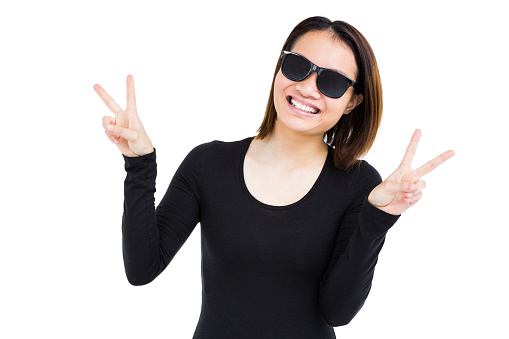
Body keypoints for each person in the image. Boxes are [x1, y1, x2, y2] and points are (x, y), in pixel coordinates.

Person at [94, 16, 454, 339]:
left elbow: (338, 312)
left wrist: (377, 220)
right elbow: (142, 268)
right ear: (280, 68)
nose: (308, 88)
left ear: (352, 102)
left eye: (332, 82)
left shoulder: (359, 184)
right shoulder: (209, 163)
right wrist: (140, 163)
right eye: (298, 66)